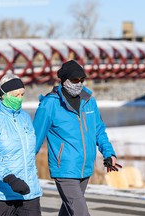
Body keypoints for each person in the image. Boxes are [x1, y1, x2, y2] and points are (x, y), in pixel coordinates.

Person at [33, 60, 121, 216]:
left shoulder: (89, 101)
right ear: (64, 80)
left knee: (69, 211)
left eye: (82, 80)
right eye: (74, 80)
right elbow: (35, 138)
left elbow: (98, 130)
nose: (79, 84)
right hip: (64, 169)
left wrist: (109, 153)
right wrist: (21, 166)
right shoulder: (50, 104)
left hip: (86, 167)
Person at [0, 73, 42, 216]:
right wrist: (10, 178)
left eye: (22, 94)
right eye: (16, 95)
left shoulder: (25, 118)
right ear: (4, 94)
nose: (20, 99)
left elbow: (29, 153)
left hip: (28, 193)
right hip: (1, 195)